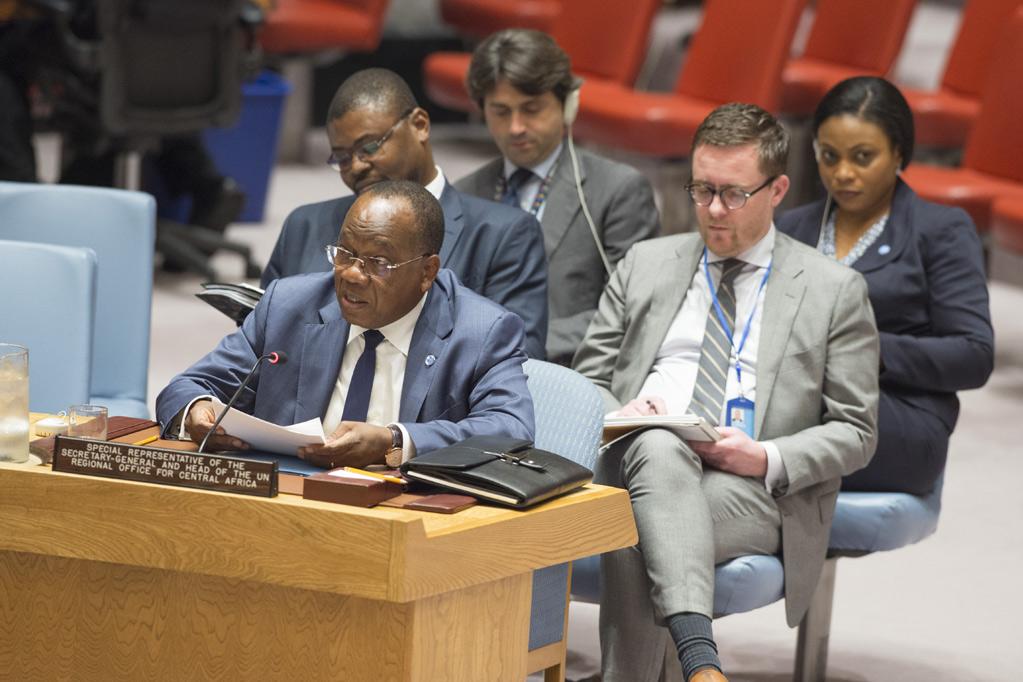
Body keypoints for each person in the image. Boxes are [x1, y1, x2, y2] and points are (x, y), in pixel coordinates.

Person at [573, 103, 880, 682]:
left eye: (734, 194)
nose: (714, 209)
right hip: (630, 463)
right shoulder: (646, 263)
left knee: (639, 530)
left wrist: (765, 456)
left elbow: (857, 432)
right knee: (657, 447)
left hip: (752, 488)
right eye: (702, 190)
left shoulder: (833, 290)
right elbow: (588, 380)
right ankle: (701, 664)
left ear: (777, 189)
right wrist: (623, 411)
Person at [157, 180, 535, 469]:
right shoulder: (289, 305)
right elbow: (187, 387)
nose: (352, 274)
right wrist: (196, 411)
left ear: (427, 272)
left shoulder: (482, 331)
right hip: (288, 502)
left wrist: (395, 440)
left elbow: (511, 428)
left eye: (379, 263)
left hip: (406, 515)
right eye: (344, 253)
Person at [777, 76, 994, 496]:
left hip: (899, 416)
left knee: (768, 424)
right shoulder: (792, 227)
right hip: (796, 400)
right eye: (829, 156)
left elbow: (974, 355)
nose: (842, 173)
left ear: (898, 153)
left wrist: (858, 349)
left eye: (863, 157)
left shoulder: (940, 230)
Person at [262, 67, 549, 359]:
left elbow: (518, 358)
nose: (357, 166)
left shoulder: (502, 235)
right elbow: (263, 339)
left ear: (420, 125)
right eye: (342, 157)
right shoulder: (305, 225)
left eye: (369, 147)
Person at [457, 29, 661, 365]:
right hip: (475, 375)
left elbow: (632, 310)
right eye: (501, 112)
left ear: (568, 106)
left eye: (531, 109)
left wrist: (511, 345)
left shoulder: (618, 190)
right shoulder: (464, 193)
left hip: (570, 370)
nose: (516, 127)